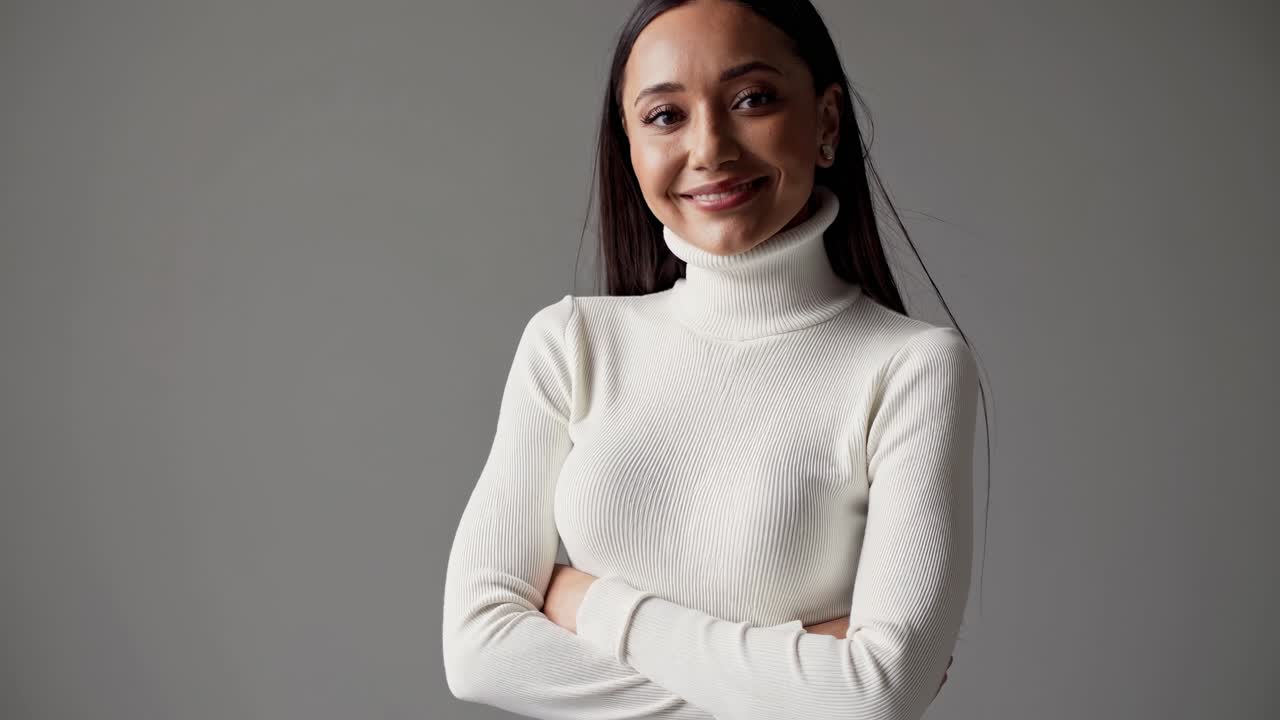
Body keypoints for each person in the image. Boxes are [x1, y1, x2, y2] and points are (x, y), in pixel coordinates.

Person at [442, 1, 987, 718]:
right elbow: (479, 654)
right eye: (665, 116)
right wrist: (803, 680)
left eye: (752, 100)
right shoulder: (571, 343)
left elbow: (874, 695)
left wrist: (591, 604)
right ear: (630, 146)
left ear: (826, 123)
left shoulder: (911, 368)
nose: (710, 149)